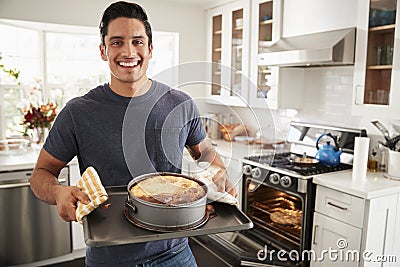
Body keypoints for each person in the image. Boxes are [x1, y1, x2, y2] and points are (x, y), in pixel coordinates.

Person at [30, 1, 236, 266]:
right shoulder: (78, 112)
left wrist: (218, 175)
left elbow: (205, 152)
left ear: (150, 49)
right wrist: (58, 192)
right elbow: (40, 174)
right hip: (109, 258)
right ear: (103, 51)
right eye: (116, 42)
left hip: (176, 255)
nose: (128, 51)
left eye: (137, 41)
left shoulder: (180, 104)